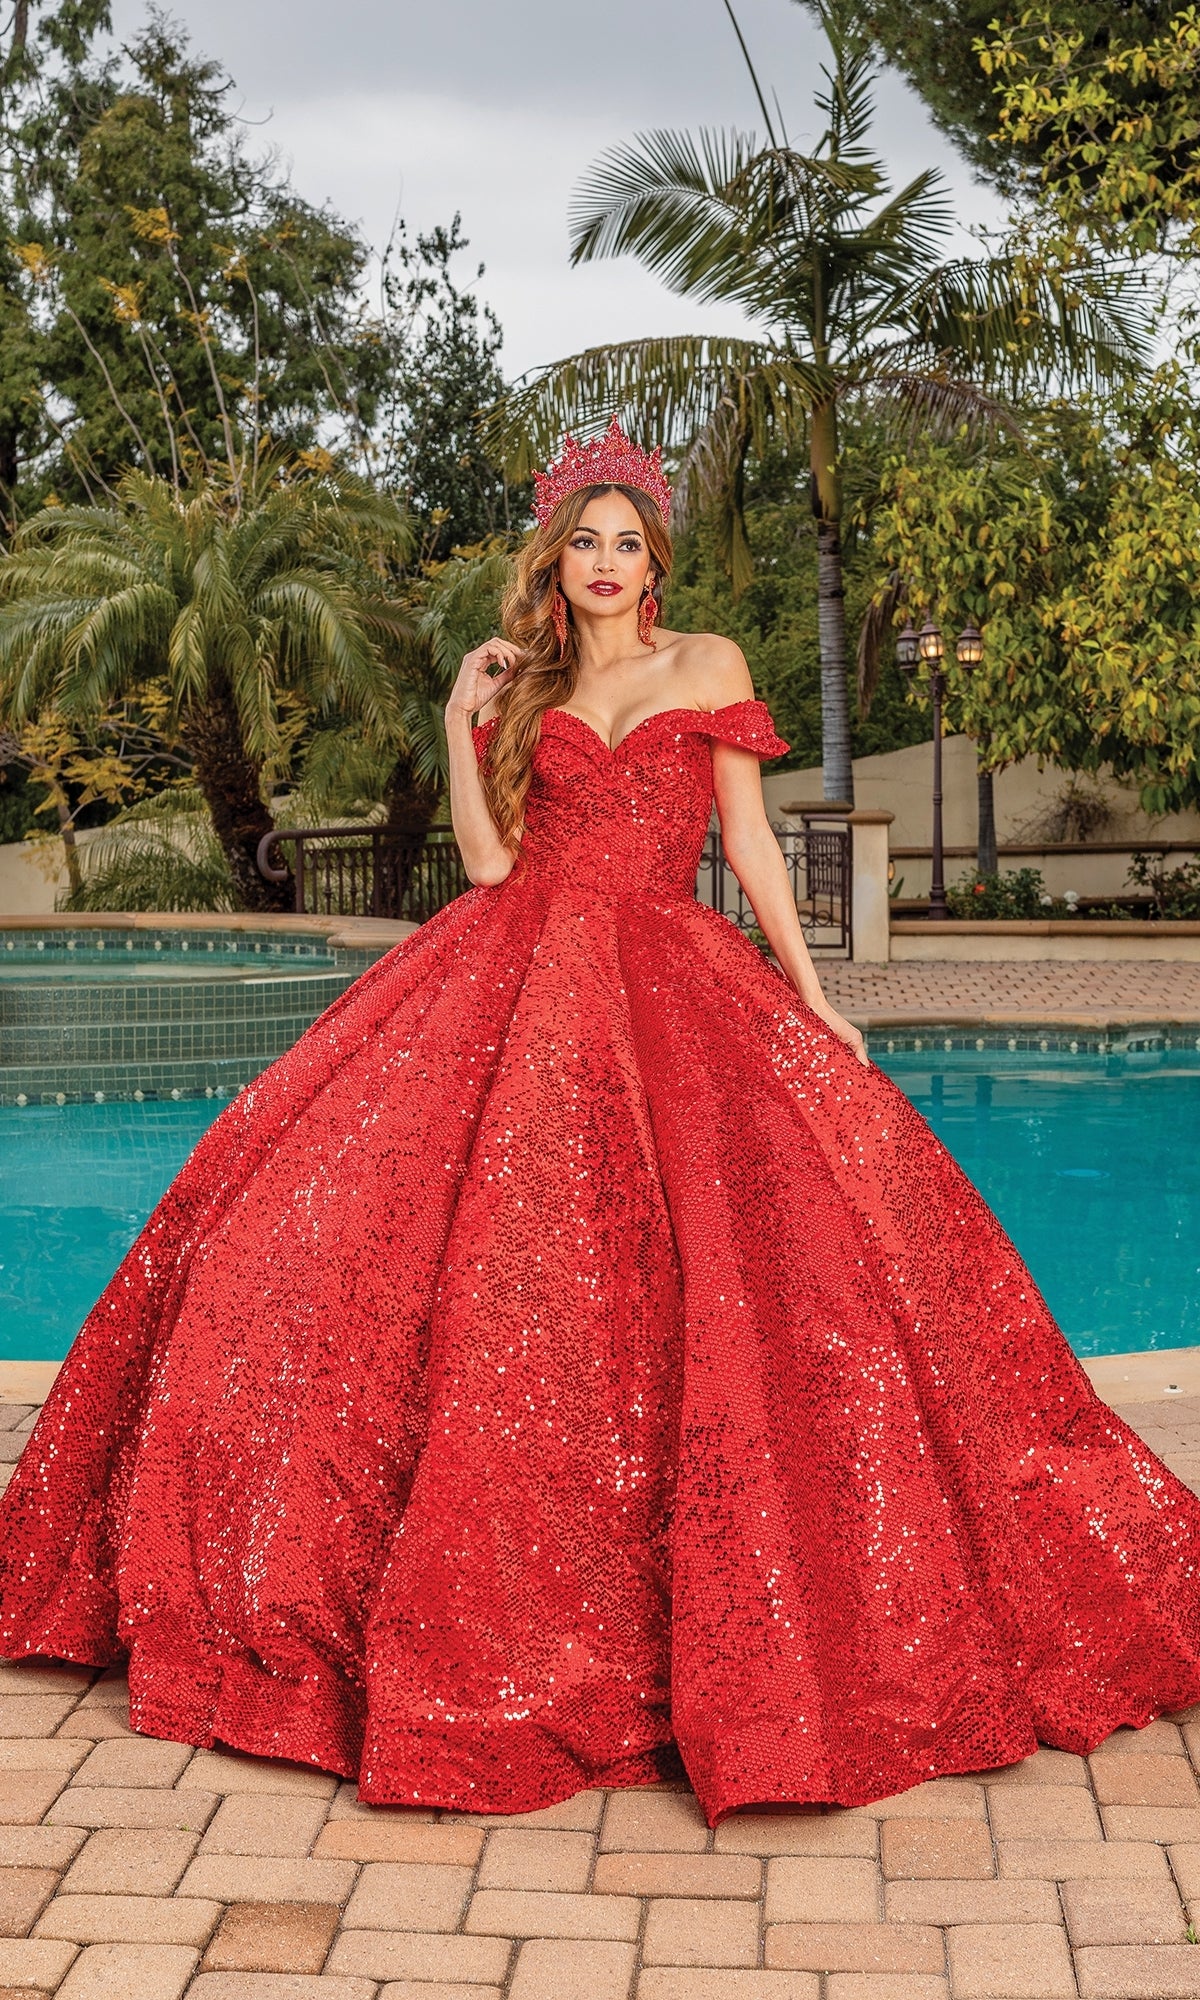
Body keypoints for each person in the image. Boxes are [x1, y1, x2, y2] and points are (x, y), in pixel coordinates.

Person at [0, 421, 1198, 1830]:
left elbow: (748, 845)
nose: (610, 564)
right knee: (409, 1253)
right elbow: (495, 861)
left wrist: (819, 1000)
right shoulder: (528, 688)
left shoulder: (712, 667)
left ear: (657, 558)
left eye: (630, 543)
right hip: (514, 966)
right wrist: (461, 719)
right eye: (586, 542)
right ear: (554, 563)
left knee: (755, 1260)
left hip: (672, 976)